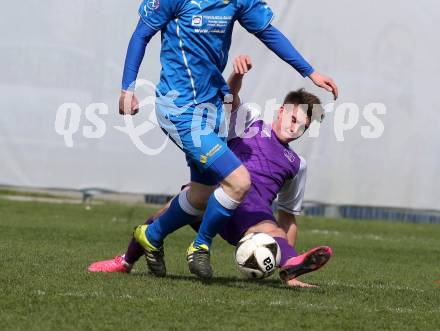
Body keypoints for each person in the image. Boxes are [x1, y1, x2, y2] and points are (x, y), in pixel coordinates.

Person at [119, 0, 338, 281]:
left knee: (203, 194)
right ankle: (200, 247)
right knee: (238, 180)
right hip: (178, 108)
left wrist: (310, 73)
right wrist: (127, 86)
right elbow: (140, 34)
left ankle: (151, 235)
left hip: (210, 112)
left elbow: (269, 34)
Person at [91, 56, 333, 287]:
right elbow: (230, 97)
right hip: (218, 196)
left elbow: (288, 218)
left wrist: (289, 268)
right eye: (293, 119)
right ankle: (125, 261)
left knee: (274, 230)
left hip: (250, 217)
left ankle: (292, 265)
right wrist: (237, 75)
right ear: (282, 110)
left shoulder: (297, 164)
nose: (295, 128)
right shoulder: (251, 121)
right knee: (175, 205)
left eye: (303, 126)